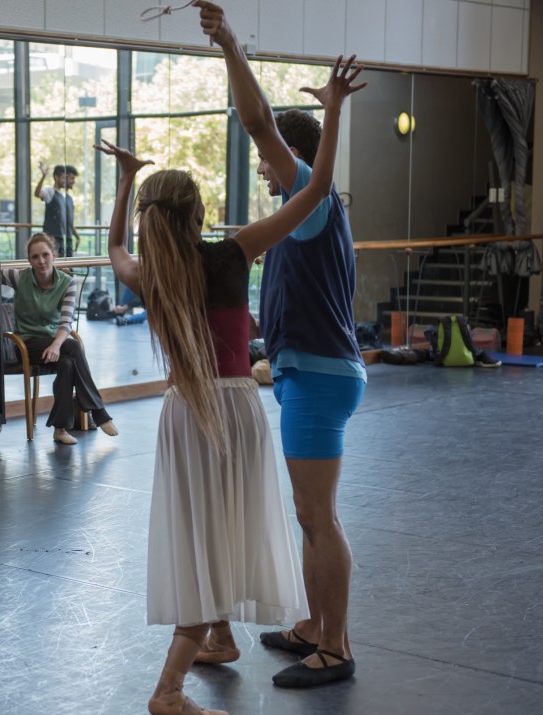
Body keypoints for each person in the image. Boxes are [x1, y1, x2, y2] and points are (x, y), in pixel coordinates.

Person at [96, 41, 364, 715]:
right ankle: (178, 673)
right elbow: (314, 189)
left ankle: (224, 634)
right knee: (243, 526)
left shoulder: (151, 272)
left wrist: (126, 181)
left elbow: (116, 249)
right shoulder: (232, 251)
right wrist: (334, 117)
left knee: (204, 525)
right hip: (233, 407)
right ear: (195, 215)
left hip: (182, 414)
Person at [198, 0, 368, 689]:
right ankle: (313, 627)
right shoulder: (311, 211)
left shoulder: (310, 195)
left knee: (316, 515)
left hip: (322, 377)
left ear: (291, 158)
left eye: (269, 163)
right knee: (311, 513)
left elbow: (257, 120)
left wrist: (231, 46)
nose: (263, 171)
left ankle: (335, 644)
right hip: (313, 372)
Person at [2, 232, 118, 445]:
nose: (41, 261)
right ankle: (99, 412)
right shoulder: (20, 277)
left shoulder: (68, 283)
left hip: (53, 343)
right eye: (35, 257)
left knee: (67, 362)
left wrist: (56, 345)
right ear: (29, 260)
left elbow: (65, 323)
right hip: (25, 344)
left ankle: (60, 428)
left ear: (54, 255)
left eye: (45, 255)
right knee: (72, 347)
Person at [34, 163, 80, 257]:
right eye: (63, 178)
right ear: (56, 177)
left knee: (67, 267)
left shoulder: (65, 197)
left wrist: (76, 236)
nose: (65, 181)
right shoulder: (50, 191)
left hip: (64, 238)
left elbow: (68, 221)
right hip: (53, 238)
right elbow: (37, 193)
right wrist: (43, 176)